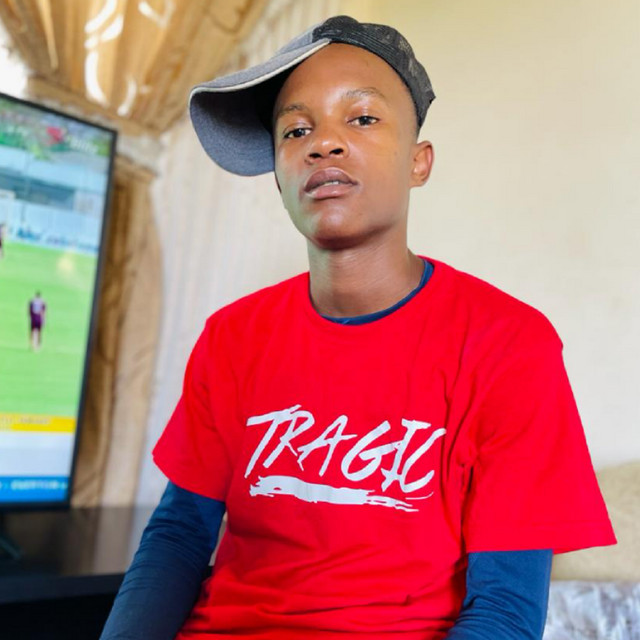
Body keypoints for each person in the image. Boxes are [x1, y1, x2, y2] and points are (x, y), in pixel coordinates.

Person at [100, 15, 615, 640]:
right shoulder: (232, 337)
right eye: (297, 130)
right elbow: (178, 536)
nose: (324, 143)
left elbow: (505, 608)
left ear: (418, 162)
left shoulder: (509, 344)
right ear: (280, 175)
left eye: (362, 118)